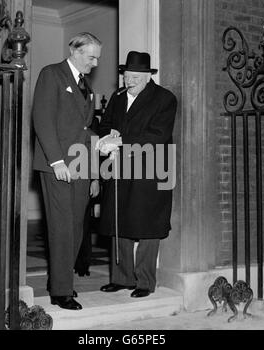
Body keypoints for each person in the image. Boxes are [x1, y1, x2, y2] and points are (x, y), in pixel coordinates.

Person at [97, 51, 177, 298]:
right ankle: (122, 278)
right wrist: (106, 139)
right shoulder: (118, 97)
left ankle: (144, 281)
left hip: (150, 169)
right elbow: (105, 123)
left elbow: (158, 135)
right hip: (119, 167)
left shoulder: (164, 98)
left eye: (135, 77)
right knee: (118, 219)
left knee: (147, 225)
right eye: (126, 76)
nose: (129, 81)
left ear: (147, 76)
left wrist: (120, 143)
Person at [32, 32, 101, 310]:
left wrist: (102, 145)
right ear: (75, 51)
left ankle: (61, 279)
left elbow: (85, 130)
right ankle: (61, 291)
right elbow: (43, 120)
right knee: (61, 227)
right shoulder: (52, 75)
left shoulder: (86, 86)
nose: (95, 63)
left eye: (97, 57)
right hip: (58, 165)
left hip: (82, 164)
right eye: (91, 56)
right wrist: (57, 162)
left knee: (75, 227)